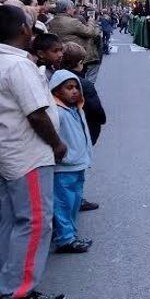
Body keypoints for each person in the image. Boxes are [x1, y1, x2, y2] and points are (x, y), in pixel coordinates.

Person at [0, 5, 66, 299]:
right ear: (24, 30)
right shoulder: (17, 65)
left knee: (13, 222)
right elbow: (37, 113)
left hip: (10, 152)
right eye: (30, 23)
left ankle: (10, 286)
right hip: (27, 153)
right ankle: (15, 297)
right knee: (35, 222)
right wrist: (57, 144)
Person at [48, 70, 92, 255]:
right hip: (64, 167)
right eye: (69, 88)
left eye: (76, 87)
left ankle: (70, 235)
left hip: (78, 164)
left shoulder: (76, 109)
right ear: (57, 91)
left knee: (73, 203)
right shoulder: (56, 112)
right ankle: (65, 239)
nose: (74, 91)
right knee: (63, 204)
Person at [60, 42, 105, 212]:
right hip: (81, 129)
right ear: (80, 62)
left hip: (66, 130)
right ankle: (75, 201)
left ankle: (73, 199)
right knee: (77, 167)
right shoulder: (82, 84)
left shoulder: (56, 77)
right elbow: (96, 111)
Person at [46, 0, 101, 82]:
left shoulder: (52, 22)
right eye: (73, 8)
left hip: (63, 53)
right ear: (68, 8)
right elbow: (90, 32)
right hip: (77, 53)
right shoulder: (72, 22)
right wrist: (90, 22)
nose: (74, 10)